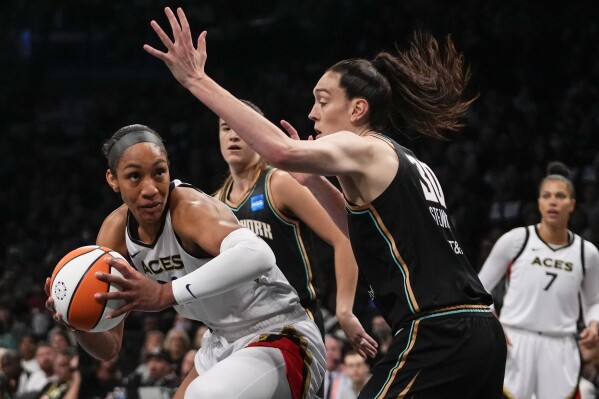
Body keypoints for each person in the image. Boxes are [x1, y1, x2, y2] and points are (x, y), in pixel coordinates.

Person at [144, 6, 507, 397]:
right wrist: (315, 182)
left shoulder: (363, 145)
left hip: (438, 331)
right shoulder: (407, 162)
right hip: (481, 328)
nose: (312, 112)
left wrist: (197, 80)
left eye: (322, 100)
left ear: (357, 109)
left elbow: (279, 151)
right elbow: (359, 229)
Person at [44, 123, 326, 399]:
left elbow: (259, 254)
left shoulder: (189, 208)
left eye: (159, 173)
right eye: (134, 177)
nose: (151, 188)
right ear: (112, 179)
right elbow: (110, 348)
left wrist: (164, 293)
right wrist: (77, 322)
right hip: (221, 342)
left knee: (204, 395)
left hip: (281, 334)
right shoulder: (114, 235)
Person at [214, 100, 377, 356]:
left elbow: (344, 236)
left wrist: (344, 310)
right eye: (225, 128)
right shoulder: (216, 204)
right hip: (242, 329)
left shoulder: (279, 182)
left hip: (295, 323)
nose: (233, 135)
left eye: (240, 127)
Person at [478, 161, 599, 399]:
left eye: (560, 196)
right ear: (539, 202)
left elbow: (595, 301)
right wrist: (493, 323)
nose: (553, 201)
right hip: (515, 341)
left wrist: (595, 323)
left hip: (561, 344)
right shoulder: (516, 240)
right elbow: (479, 288)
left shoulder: (588, 253)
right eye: (547, 196)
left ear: (572, 204)